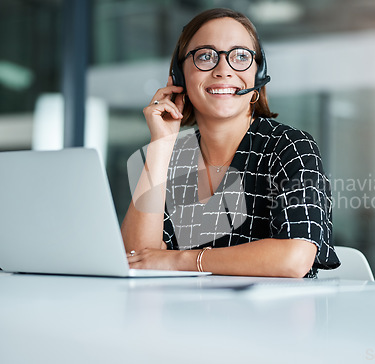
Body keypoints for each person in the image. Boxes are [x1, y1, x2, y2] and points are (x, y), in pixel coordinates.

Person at [121, 8, 340, 278]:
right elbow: (137, 258)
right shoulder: (172, 157)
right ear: (179, 76)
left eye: (240, 56)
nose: (223, 70)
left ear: (258, 75)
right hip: (184, 315)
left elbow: (294, 258)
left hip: (274, 318)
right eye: (205, 56)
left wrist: (180, 260)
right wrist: (161, 144)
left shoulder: (290, 146)